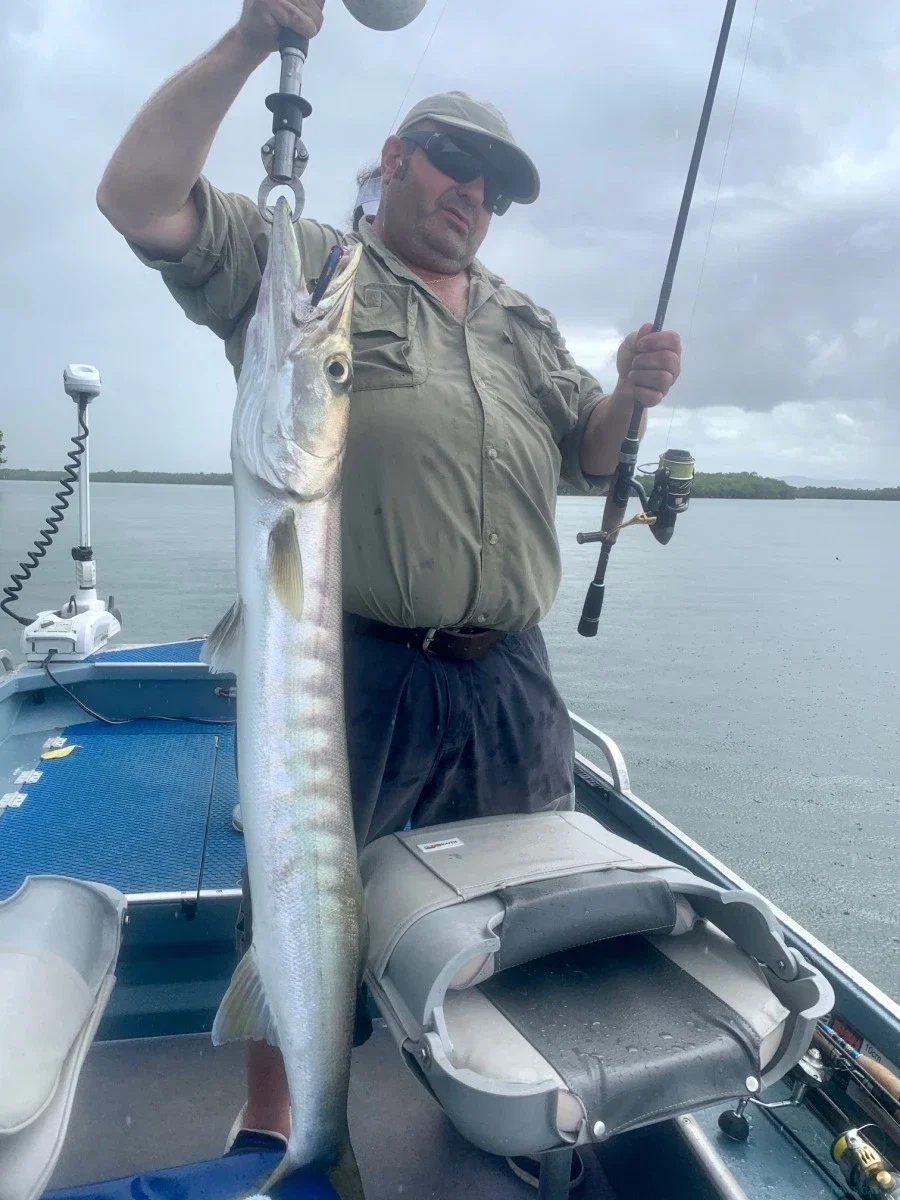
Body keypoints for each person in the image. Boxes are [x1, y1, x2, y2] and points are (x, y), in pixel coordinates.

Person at [96, 0, 682, 1168]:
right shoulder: (315, 270)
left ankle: (495, 1100)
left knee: (520, 899)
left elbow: (591, 454)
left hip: (506, 669)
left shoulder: (520, 319)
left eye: (496, 187)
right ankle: (278, 1124)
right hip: (347, 657)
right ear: (397, 158)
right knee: (298, 890)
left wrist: (629, 394)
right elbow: (141, 202)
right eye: (456, 162)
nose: (474, 195)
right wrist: (249, 41)